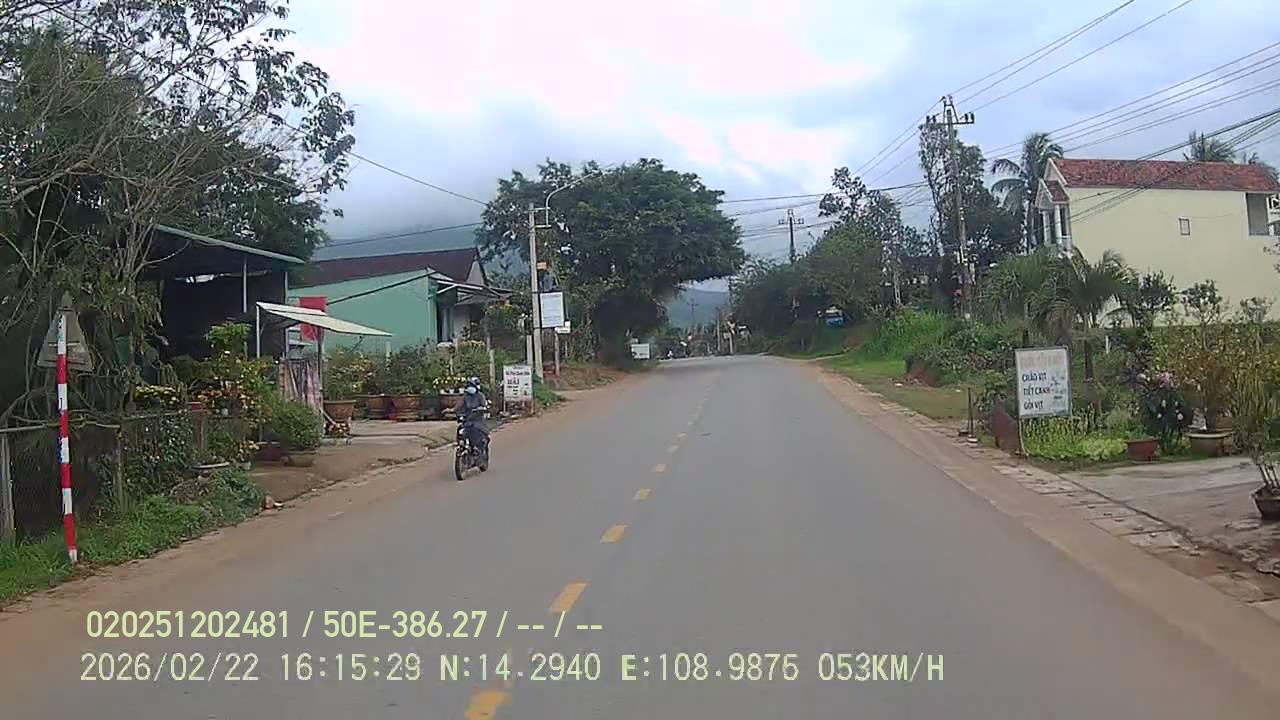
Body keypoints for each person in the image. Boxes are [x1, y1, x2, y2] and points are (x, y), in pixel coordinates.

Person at [457, 376, 489, 450]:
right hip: (467, 420)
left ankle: (479, 447)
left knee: (481, 432)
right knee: (461, 430)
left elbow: (484, 406)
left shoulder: (480, 396)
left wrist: (481, 409)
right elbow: (459, 405)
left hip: (478, 420)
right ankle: (462, 445)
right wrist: (451, 410)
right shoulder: (465, 396)